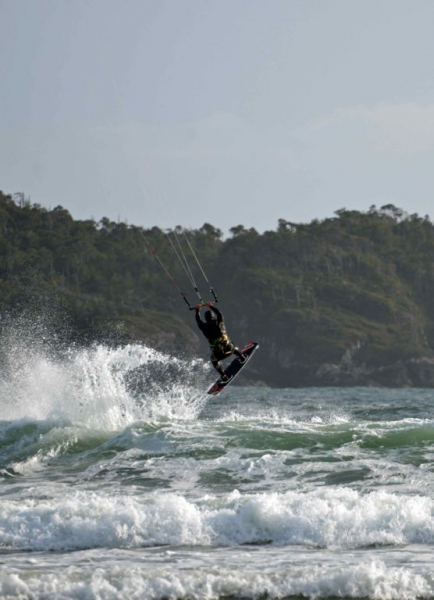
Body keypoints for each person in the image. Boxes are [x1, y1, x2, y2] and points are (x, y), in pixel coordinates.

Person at [195, 303, 244, 380]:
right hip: (229, 349)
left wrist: (197, 310)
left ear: (206, 319)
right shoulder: (219, 322)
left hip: (218, 355)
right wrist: (211, 306)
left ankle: (223, 375)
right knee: (232, 345)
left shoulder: (204, 327)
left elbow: (198, 321)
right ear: (213, 316)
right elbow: (219, 313)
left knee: (213, 360)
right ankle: (242, 357)